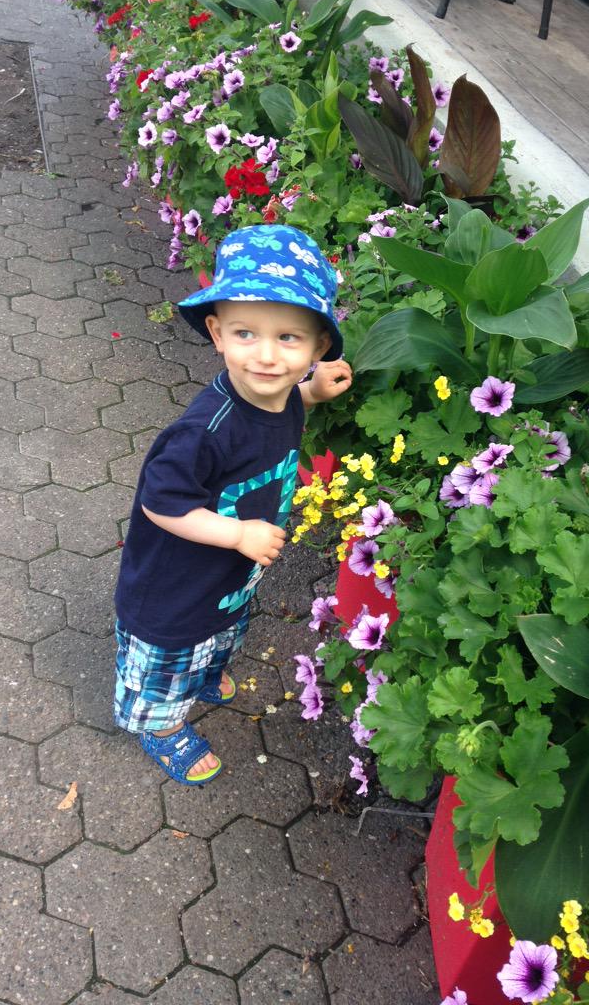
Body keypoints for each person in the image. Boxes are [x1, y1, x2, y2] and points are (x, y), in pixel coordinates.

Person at [113, 224, 352, 785]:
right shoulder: (204, 432)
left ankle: (203, 670)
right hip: (174, 589)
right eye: (247, 334)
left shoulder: (280, 396)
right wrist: (239, 536)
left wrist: (313, 392)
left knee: (220, 632)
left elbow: (290, 394)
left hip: (227, 578)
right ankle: (161, 726)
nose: (267, 356)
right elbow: (160, 505)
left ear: (318, 348)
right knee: (165, 664)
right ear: (218, 334)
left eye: (289, 339)